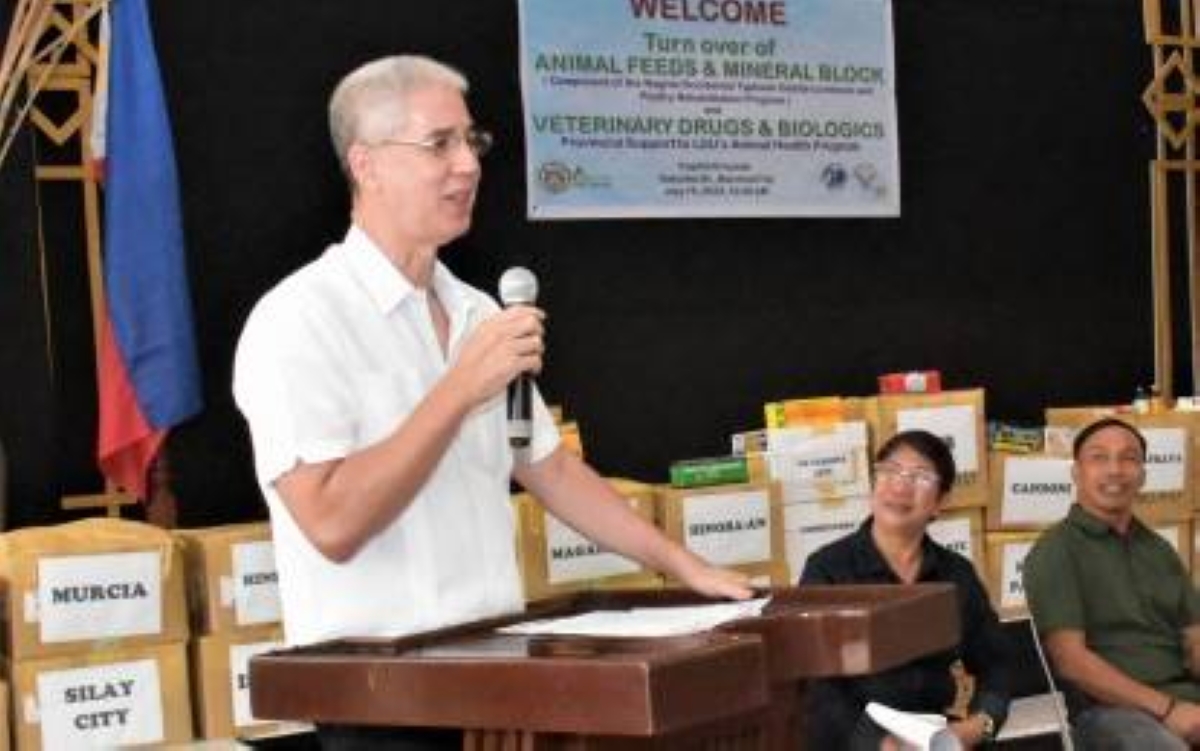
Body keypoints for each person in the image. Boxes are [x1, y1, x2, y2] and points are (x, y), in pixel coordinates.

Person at [232, 54, 752, 749]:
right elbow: (330, 519)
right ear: (366, 164)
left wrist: (686, 568)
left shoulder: (476, 310)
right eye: (438, 144)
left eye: (471, 142)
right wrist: (457, 390)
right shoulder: (298, 319)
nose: (468, 165)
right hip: (384, 698)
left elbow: (549, 468)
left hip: (497, 680)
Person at [800, 429, 1011, 749]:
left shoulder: (956, 574)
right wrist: (881, 746)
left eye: (921, 476)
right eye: (889, 470)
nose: (900, 485)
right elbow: (816, 686)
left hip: (935, 739)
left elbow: (997, 665)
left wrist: (978, 726)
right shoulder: (828, 569)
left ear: (940, 502)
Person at [1023, 417, 1200, 749]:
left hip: (1186, 698)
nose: (1115, 469)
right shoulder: (1055, 551)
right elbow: (1071, 661)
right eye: (1099, 457)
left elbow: (1195, 640)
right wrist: (1169, 709)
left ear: (1143, 475)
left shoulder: (1160, 550)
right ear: (1076, 473)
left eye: (1129, 458)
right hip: (1111, 713)